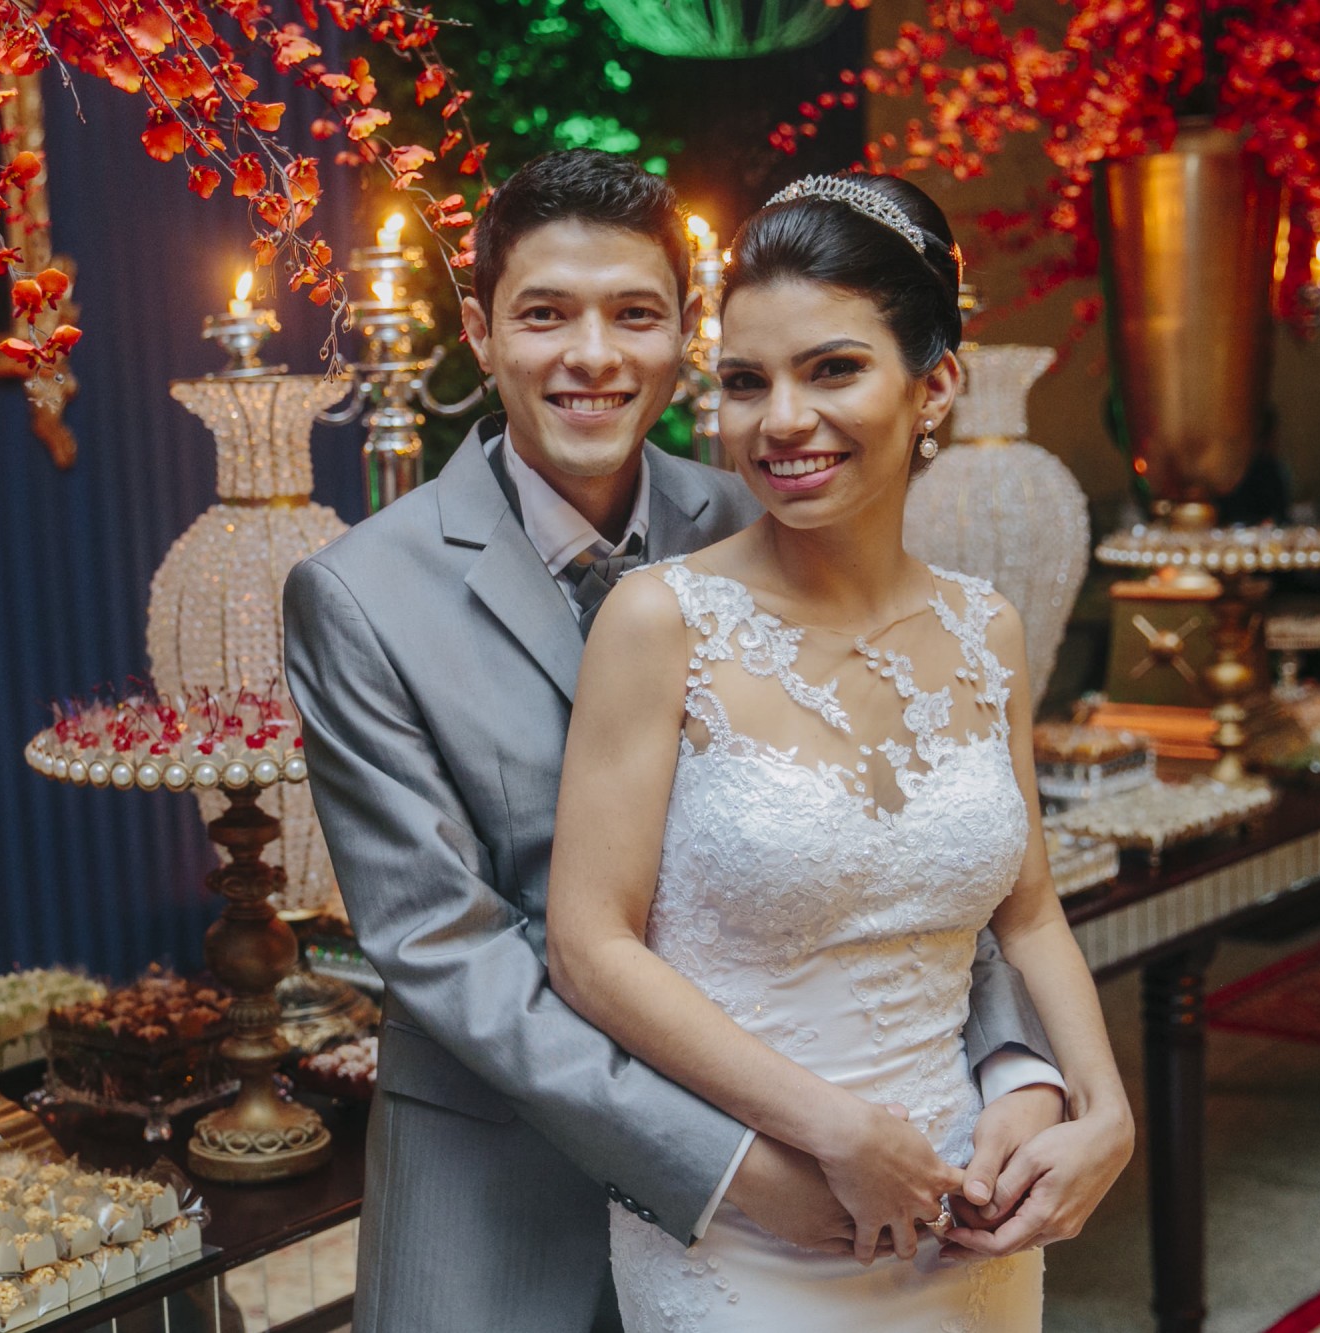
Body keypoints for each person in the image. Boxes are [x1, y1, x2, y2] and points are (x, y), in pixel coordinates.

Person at [283, 150, 1075, 1333]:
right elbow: (447, 947)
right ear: (478, 333)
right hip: (512, 1201)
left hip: (833, 1196)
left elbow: (903, 833)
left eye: (635, 314)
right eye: (543, 314)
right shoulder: (357, 594)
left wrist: (1018, 1066)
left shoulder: (764, 504)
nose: (591, 355)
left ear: (682, 333)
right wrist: (729, 1163)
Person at [541, 172, 1135, 1329]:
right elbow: (588, 946)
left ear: (935, 387)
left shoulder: (985, 628)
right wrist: (832, 1129)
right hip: (752, 1223)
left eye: (832, 369)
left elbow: (1025, 912)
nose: (779, 422)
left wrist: (1097, 1107)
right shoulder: (658, 620)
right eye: (744, 382)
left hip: (968, 1217)